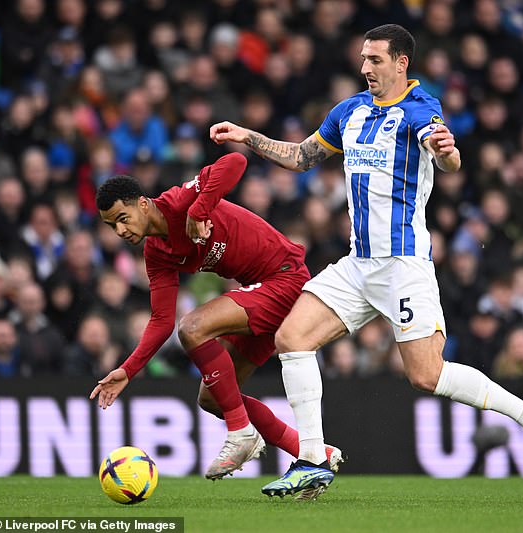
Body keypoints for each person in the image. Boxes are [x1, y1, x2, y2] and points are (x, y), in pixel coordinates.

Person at [210, 24, 523, 499]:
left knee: (426, 375)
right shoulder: (349, 111)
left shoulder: (421, 109)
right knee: (291, 337)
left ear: (401, 63)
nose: (364, 69)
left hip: (403, 265)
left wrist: (448, 154)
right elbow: (301, 157)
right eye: (362, 59)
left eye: (375, 60)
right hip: (358, 264)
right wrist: (248, 136)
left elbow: (444, 156)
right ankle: (312, 459)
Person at [89, 152, 342, 487]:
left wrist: (199, 209)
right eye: (112, 225)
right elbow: (161, 320)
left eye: (123, 217)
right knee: (213, 398)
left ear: (143, 204)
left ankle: (240, 433)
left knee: (193, 327)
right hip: (262, 294)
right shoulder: (156, 254)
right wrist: (127, 369)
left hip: (284, 278)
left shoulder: (180, 202)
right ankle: (314, 453)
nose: (120, 230)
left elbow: (235, 161)